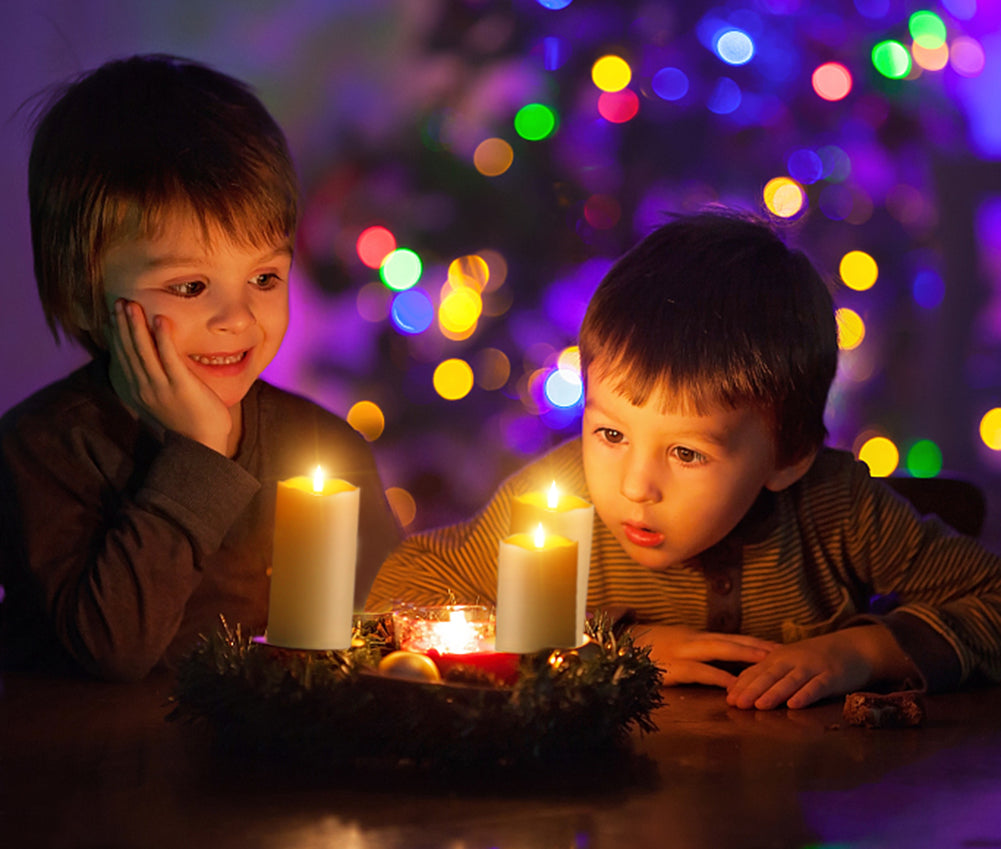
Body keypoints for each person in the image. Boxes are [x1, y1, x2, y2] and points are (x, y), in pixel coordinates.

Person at [367, 210, 1001, 709]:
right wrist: (612, 646)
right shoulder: (557, 502)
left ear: (787, 456)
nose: (636, 486)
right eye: (611, 436)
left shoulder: (839, 511)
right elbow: (404, 589)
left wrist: (860, 653)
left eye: (687, 453)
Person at [0, 54, 401, 681]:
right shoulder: (44, 450)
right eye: (190, 288)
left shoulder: (326, 447)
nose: (237, 318)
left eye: (264, 277)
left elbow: (387, 629)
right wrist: (200, 456)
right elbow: (116, 649)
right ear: (84, 296)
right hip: (91, 771)